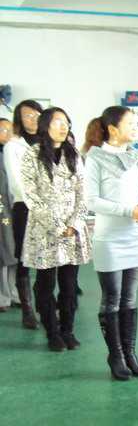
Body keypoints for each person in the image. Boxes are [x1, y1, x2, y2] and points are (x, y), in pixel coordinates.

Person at [85, 106, 138, 381]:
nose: (135, 128)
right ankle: (115, 355)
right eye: (130, 124)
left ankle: (130, 353)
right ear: (113, 129)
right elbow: (92, 201)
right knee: (112, 299)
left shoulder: (133, 157)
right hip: (110, 239)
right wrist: (129, 211)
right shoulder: (95, 158)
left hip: (134, 236)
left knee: (130, 298)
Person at [21, 107, 91, 351]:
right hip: (45, 230)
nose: (64, 127)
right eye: (58, 122)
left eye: (66, 122)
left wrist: (73, 223)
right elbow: (30, 195)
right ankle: (52, 333)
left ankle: (67, 330)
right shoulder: (33, 154)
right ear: (45, 125)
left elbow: (83, 193)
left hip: (72, 231)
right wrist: (57, 225)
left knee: (70, 285)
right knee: (45, 284)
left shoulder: (73, 154)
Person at [5, 99, 43, 330]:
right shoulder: (13, 145)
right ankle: (28, 310)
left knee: (47, 259)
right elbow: (16, 183)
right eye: (27, 115)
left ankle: (44, 305)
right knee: (24, 258)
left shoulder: (47, 142)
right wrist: (37, 204)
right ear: (19, 119)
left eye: (36, 114)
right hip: (25, 208)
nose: (32, 119)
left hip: (49, 209)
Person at [0, 156, 17, 312]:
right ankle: (3, 296)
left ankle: (13, 294)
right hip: (4, 212)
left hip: (12, 211)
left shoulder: (9, 154)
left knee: (13, 253)